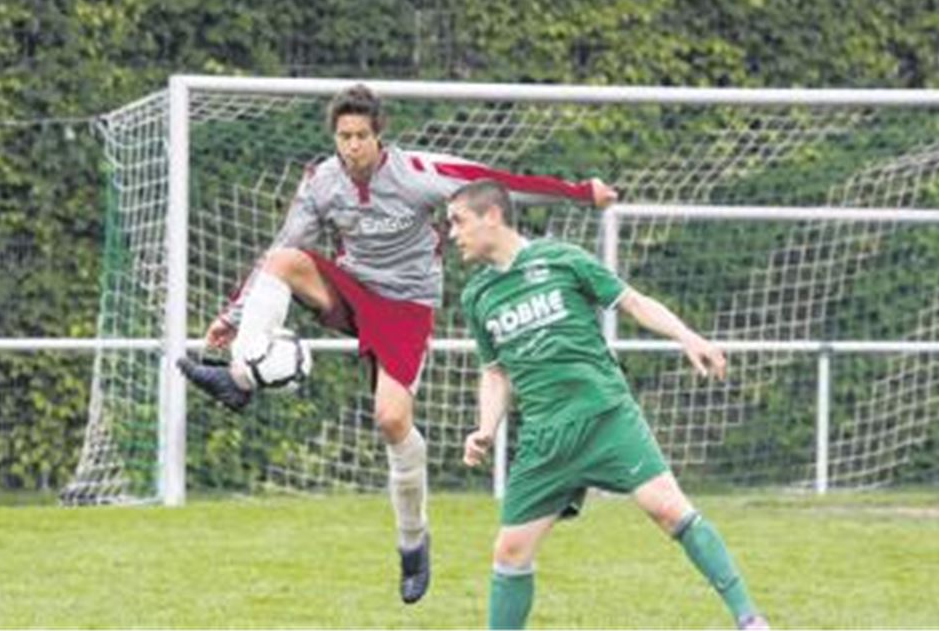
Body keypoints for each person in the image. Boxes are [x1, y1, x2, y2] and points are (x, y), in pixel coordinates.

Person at [178, 84, 617, 605]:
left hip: (407, 306)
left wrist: (577, 191)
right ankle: (241, 378)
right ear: (335, 137)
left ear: (379, 135)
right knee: (283, 260)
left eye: (362, 135)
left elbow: (495, 185)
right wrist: (232, 317)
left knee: (392, 422)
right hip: (352, 291)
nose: (353, 146)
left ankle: (413, 542)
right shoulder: (321, 182)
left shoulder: (416, 175)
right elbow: (288, 242)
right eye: (344, 136)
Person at [448, 179, 769, 630]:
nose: (452, 233)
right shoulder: (477, 296)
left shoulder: (563, 259)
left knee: (667, 508)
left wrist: (687, 337)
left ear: (493, 216)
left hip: (604, 415)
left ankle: (750, 620)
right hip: (546, 438)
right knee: (510, 551)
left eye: (458, 221)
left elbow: (632, 301)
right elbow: (495, 371)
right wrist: (486, 427)